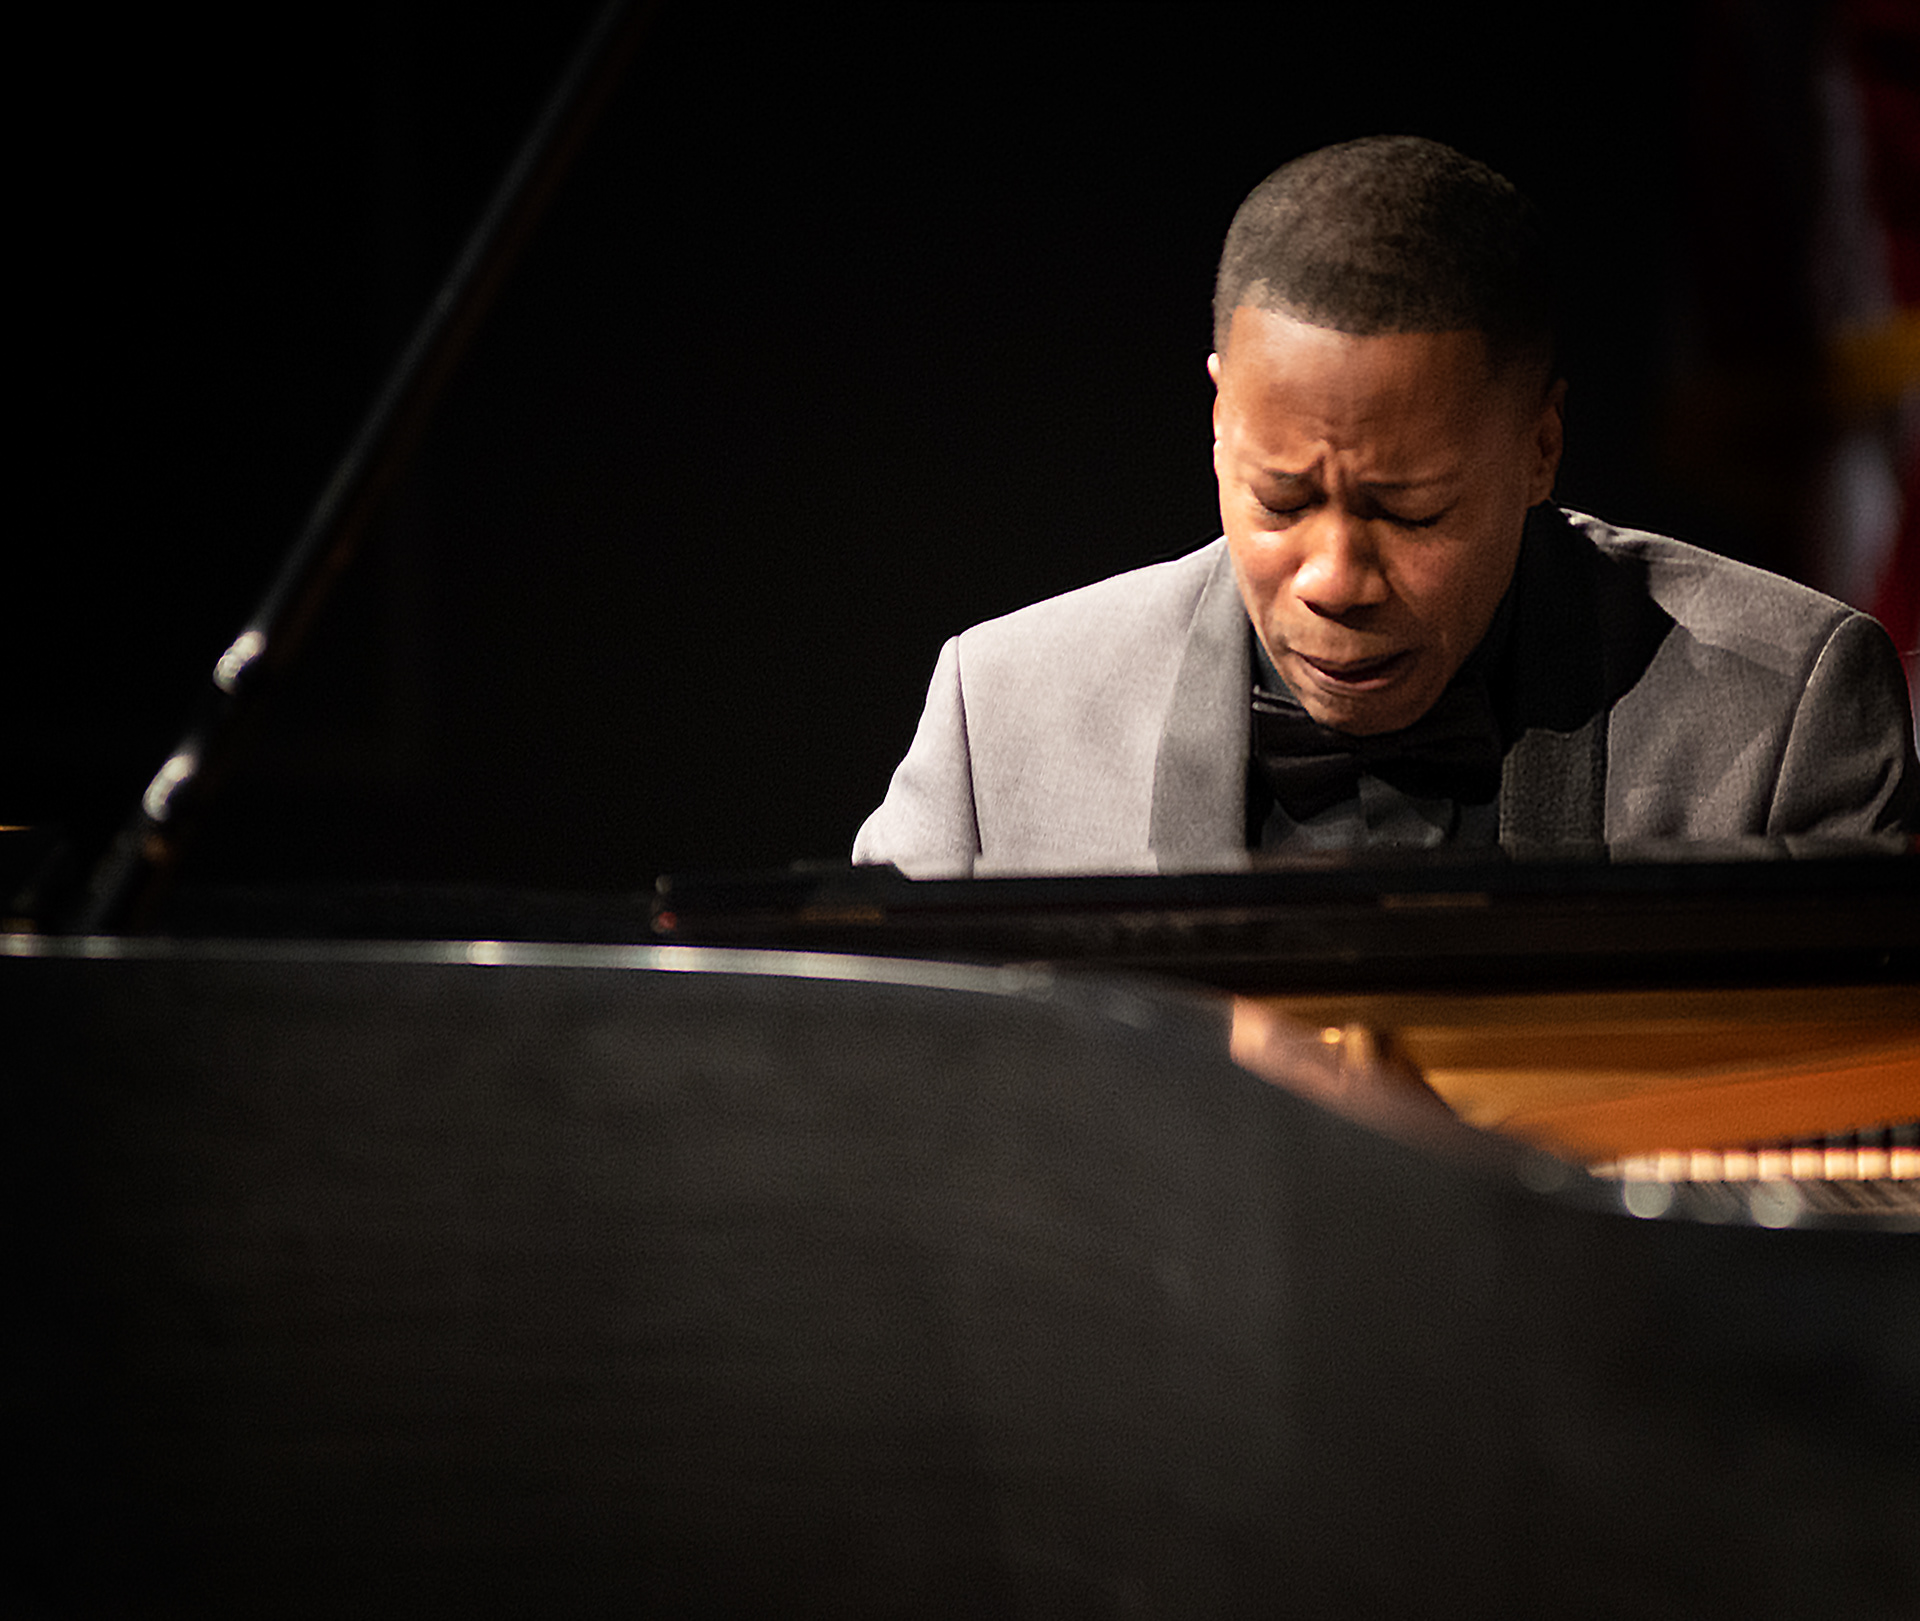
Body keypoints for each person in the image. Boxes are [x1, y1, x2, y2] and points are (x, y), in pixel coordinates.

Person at [853, 136, 1920, 877]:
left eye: (1408, 513)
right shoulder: (999, 719)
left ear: (1541, 447)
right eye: (1281, 499)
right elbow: (860, 1111)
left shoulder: (1789, 713)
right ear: (1219, 418)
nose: (1332, 580)